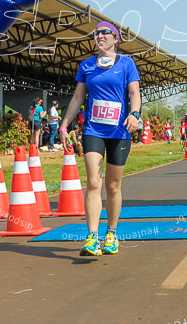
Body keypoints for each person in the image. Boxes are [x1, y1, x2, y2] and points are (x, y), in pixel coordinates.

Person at [59, 21, 140, 257]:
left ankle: (111, 234)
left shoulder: (127, 64)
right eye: (97, 33)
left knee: (113, 185)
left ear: (116, 39)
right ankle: (92, 237)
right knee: (94, 182)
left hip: (120, 131)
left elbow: (135, 93)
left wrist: (134, 114)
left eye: (106, 32)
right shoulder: (86, 65)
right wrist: (64, 126)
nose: (100, 35)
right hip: (93, 130)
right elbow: (77, 97)